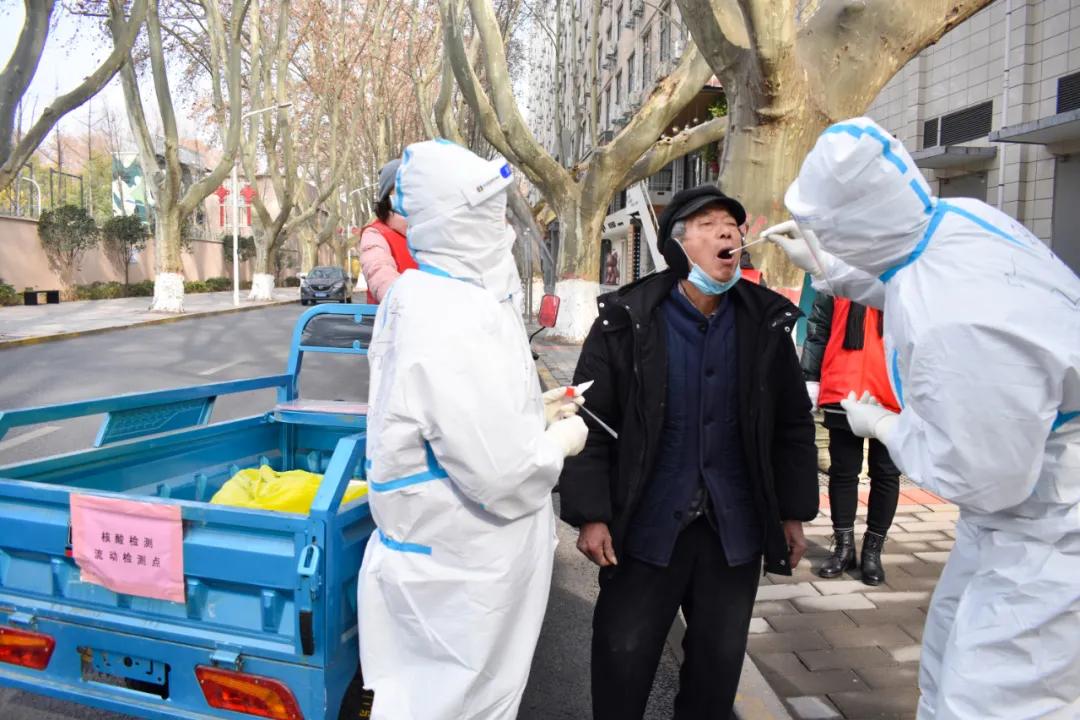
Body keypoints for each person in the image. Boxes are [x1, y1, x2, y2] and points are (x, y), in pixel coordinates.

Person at [764, 117, 1080, 720]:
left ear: (854, 225)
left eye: (826, 230)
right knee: (943, 656)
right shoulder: (959, 220)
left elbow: (986, 477)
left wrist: (885, 427)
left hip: (1054, 525)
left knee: (997, 698)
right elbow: (904, 267)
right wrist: (830, 267)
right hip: (1021, 510)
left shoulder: (956, 323)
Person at [559, 185, 819, 720]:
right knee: (621, 668)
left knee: (714, 681)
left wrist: (793, 512)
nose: (728, 232)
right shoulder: (626, 320)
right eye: (708, 224)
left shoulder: (764, 323)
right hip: (644, 531)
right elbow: (587, 419)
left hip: (733, 534)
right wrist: (592, 515)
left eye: (733, 224)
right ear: (678, 246)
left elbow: (792, 425)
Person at [355, 139, 589, 720]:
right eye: (492, 215)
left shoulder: (421, 294)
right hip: (463, 568)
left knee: (418, 701)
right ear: (461, 218)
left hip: (431, 558)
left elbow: (447, 419)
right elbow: (502, 473)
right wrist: (558, 440)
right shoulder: (456, 312)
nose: (506, 232)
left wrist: (532, 409)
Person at [801, 293, 900, 585]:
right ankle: (844, 547)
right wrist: (810, 378)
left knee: (887, 473)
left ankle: (873, 551)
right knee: (843, 472)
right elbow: (818, 327)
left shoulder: (904, 274)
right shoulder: (837, 274)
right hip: (843, 383)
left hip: (891, 389)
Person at [359, 158, 417, 303]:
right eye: (401, 189)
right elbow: (379, 272)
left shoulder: (434, 232)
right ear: (387, 197)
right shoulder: (375, 235)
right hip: (394, 319)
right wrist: (404, 301)